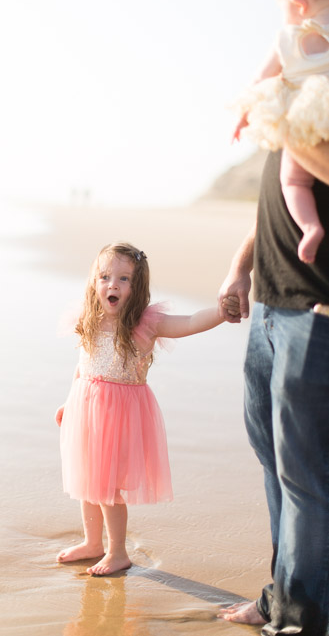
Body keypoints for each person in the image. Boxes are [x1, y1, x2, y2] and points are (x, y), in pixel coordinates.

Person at [55, 242, 237, 576]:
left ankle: (117, 551)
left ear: (136, 288)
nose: (112, 285)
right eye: (105, 276)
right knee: (88, 482)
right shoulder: (89, 319)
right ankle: (92, 543)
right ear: (94, 281)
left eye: (123, 279)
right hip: (86, 410)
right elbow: (82, 365)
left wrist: (222, 312)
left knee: (109, 488)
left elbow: (191, 321)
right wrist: (69, 401)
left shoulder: (145, 324)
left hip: (120, 416)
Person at [217, 144, 329, 635]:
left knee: (305, 474)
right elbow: (277, 196)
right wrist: (242, 267)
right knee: (273, 460)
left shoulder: (313, 106)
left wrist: (302, 136)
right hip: (269, 302)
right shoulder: (299, 89)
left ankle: (299, 619)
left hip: (316, 312)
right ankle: (280, 596)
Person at [233, 0, 329, 264]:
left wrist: (242, 116)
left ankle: (310, 226)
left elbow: (259, 82)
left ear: (298, 4)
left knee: (294, 180)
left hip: (304, 119)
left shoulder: (288, 38)